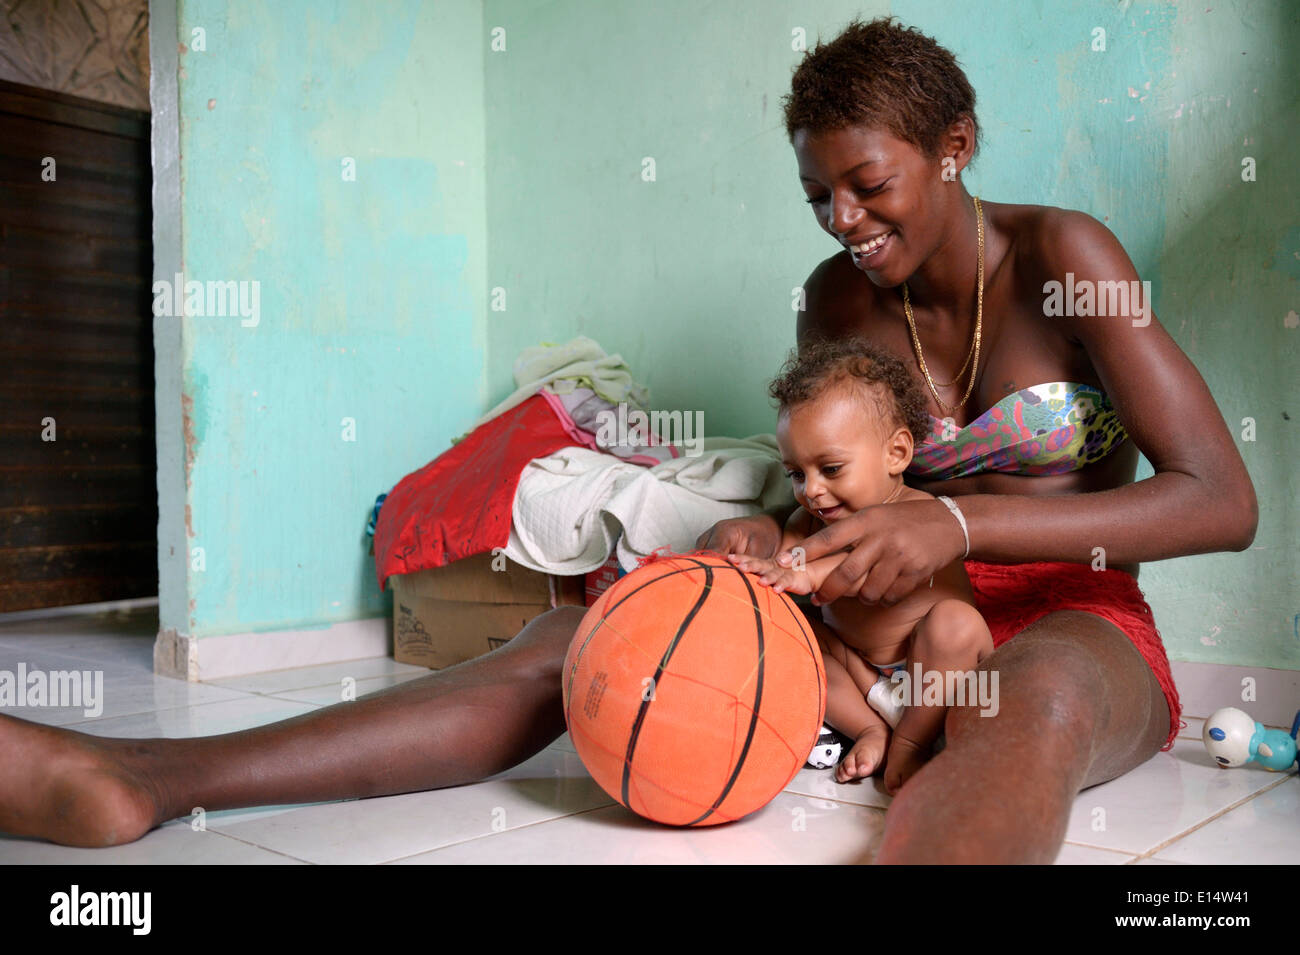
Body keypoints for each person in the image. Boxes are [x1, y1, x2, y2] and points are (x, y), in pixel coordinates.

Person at [0, 16, 1256, 863]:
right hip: (868, 613)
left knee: (1016, 698)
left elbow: (1218, 498)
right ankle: (153, 778)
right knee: (596, 631)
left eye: (868, 182)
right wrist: (769, 526)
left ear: (954, 148)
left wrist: (964, 519)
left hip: (1068, 619)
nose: (841, 216)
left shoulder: (1062, 259)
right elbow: (829, 474)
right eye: (817, 192)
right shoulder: (836, 299)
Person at [726, 337, 993, 793]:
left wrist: (803, 574)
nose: (810, 490)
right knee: (796, 636)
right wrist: (758, 569)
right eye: (796, 473)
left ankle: (909, 744)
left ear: (896, 454)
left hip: (933, 677)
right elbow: (787, 562)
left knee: (956, 625)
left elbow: (859, 570)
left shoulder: (914, 515)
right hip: (857, 675)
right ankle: (871, 731)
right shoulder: (810, 518)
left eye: (830, 469)